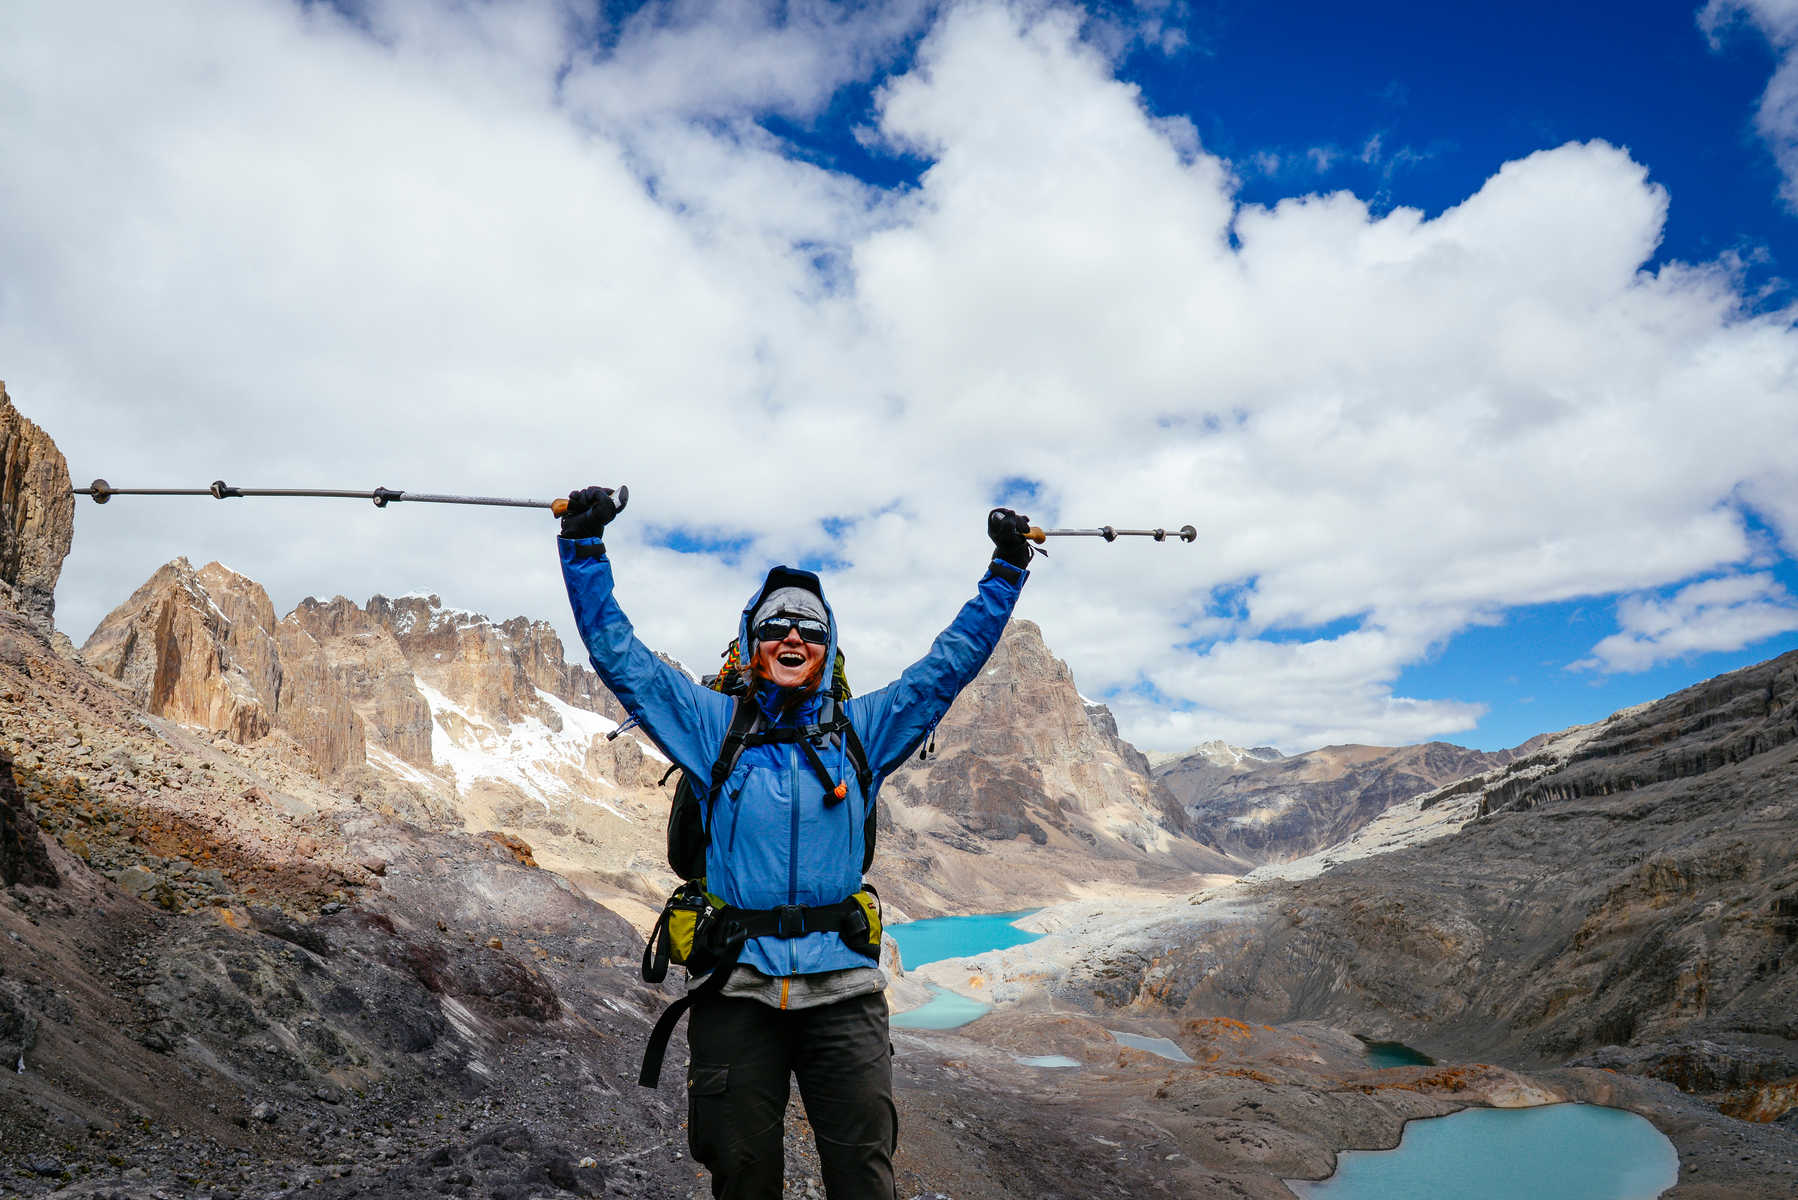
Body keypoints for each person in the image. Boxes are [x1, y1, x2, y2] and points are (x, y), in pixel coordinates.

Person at [557, 487, 1034, 1200]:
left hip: (843, 994)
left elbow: (949, 666)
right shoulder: (708, 723)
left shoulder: (863, 731)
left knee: (864, 1181)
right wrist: (584, 546)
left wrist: (1005, 569)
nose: (792, 638)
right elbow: (618, 656)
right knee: (742, 1178)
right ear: (753, 641)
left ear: (827, 646)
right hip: (735, 988)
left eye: (809, 629)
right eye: (776, 625)